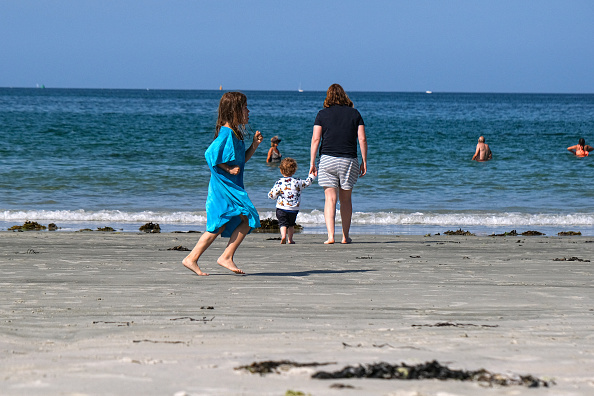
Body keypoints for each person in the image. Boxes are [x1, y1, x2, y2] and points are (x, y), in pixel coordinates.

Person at [182, 92, 263, 276]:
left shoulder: (235, 133)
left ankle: (194, 258)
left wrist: (254, 146)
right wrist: (227, 169)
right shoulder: (227, 133)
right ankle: (221, 257)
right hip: (223, 187)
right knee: (243, 218)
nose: (248, 111)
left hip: (231, 187)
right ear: (235, 110)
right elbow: (210, 155)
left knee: (224, 224)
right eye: (244, 107)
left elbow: (241, 162)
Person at [309, 83, 367, 245]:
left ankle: (330, 236)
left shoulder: (322, 114)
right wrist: (364, 160)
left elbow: (315, 139)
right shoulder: (355, 114)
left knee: (330, 199)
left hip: (327, 159)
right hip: (349, 159)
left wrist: (312, 162)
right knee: (346, 199)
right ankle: (345, 236)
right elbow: (362, 139)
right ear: (344, 96)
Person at [268, 157, 316, 244]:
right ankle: (290, 239)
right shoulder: (297, 182)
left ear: (281, 170)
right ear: (294, 171)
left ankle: (283, 236)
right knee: (291, 224)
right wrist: (312, 176)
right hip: (294, 209)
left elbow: (273, 194)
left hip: (281, 208)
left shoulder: (279, 182)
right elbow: (307, 182)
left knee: (282, 223)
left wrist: (271, 196)